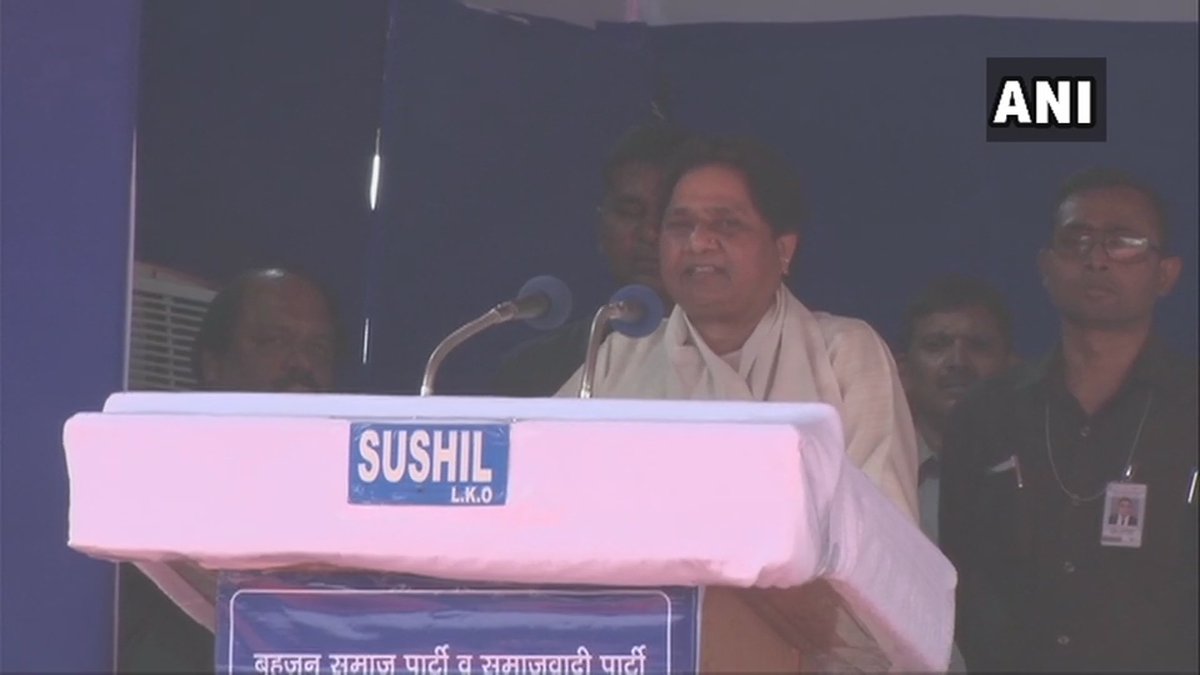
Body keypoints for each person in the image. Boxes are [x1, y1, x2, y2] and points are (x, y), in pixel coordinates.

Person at [556, 135, 920, 671]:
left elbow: (885, 552)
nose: (699, 242)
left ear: (783, 249)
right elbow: (547, 511)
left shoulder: (845, 353)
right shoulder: (619, 356)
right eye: (680, 226)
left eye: (726, 225)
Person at [940, 168, 1198, 672]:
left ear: (1166, 273)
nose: (1096, 258)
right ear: (1046, 265)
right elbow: (958, 574)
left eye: (1123, 242)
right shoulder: (987, 413)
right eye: (1076, 239)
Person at [119, 267, 341, 673]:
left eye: (319, 348)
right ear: (213, 364)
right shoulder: (156, 478)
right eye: (274, 341)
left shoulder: (352, 487)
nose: (301, 362)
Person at [490, 123, 690, 397]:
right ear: (601, 228)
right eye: (630, 212)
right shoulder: (535, 371)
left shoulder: (742, 359)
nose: (650, 232)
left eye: (670, 214)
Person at [898, 275, 1016, 543]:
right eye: (936, 345)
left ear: (1011, 369)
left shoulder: (1037, 467)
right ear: (903, 372)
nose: (957, 362)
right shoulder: (871, 469)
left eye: (978, 346)